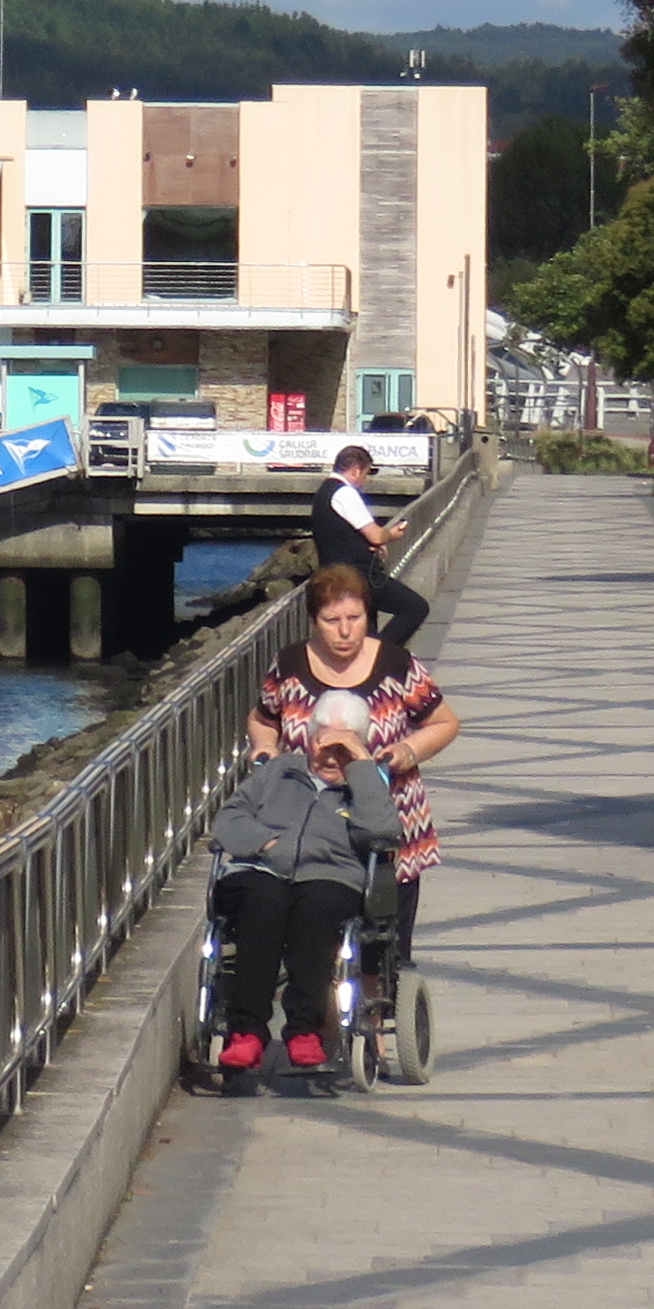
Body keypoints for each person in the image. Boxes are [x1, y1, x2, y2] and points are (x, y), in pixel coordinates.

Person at [210, 692, 398, 1073]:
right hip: (260, 869)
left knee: (317, 909)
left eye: (342, 748)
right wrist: (266, 843)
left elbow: (382, 832)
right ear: (309, 738)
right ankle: (246, 1032)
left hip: (330, 875)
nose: (330, 757)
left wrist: (361, 767)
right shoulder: (278, 771)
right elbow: (228, 819)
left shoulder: (365, 785)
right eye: (323, 744)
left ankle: (304, 1029)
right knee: (263, 903)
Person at [258, 565, 458, 922]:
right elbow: (263, 719)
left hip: (387, 822)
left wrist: (407, 751)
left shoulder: (396, 664)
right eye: (331, 620)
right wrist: (266, 749)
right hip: (308, 828)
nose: (345, 631)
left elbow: (444, 723)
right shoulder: (289, 664)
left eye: (355, 618)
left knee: (385, 937)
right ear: (313, 621)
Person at [314, 444, 431, 652]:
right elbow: (376, 535)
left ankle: (368, 658)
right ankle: (378, 655)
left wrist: (371, 543)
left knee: (366, 629)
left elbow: (344, 532)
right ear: (356, 470)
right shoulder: (344, 494)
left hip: (337, 575)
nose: (365, 480)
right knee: (415, 608)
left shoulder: (325, 491)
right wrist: (392, 534)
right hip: (356, 576)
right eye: (366, 473)